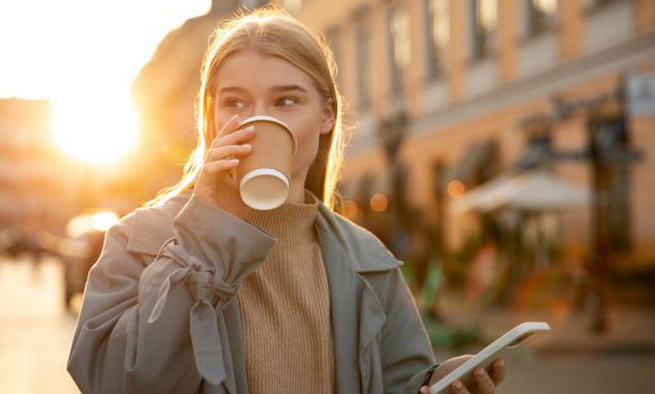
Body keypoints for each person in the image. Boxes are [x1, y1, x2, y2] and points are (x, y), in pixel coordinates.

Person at [66, 7, 505, 394]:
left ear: (326, 115)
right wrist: (207, 235)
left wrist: (436, 382)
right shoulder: (140, 240)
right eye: (235, 102)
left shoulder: (367, 259)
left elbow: (395, 381)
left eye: (286, 100)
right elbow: (114, 382)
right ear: (211, 117)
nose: (258, 122)